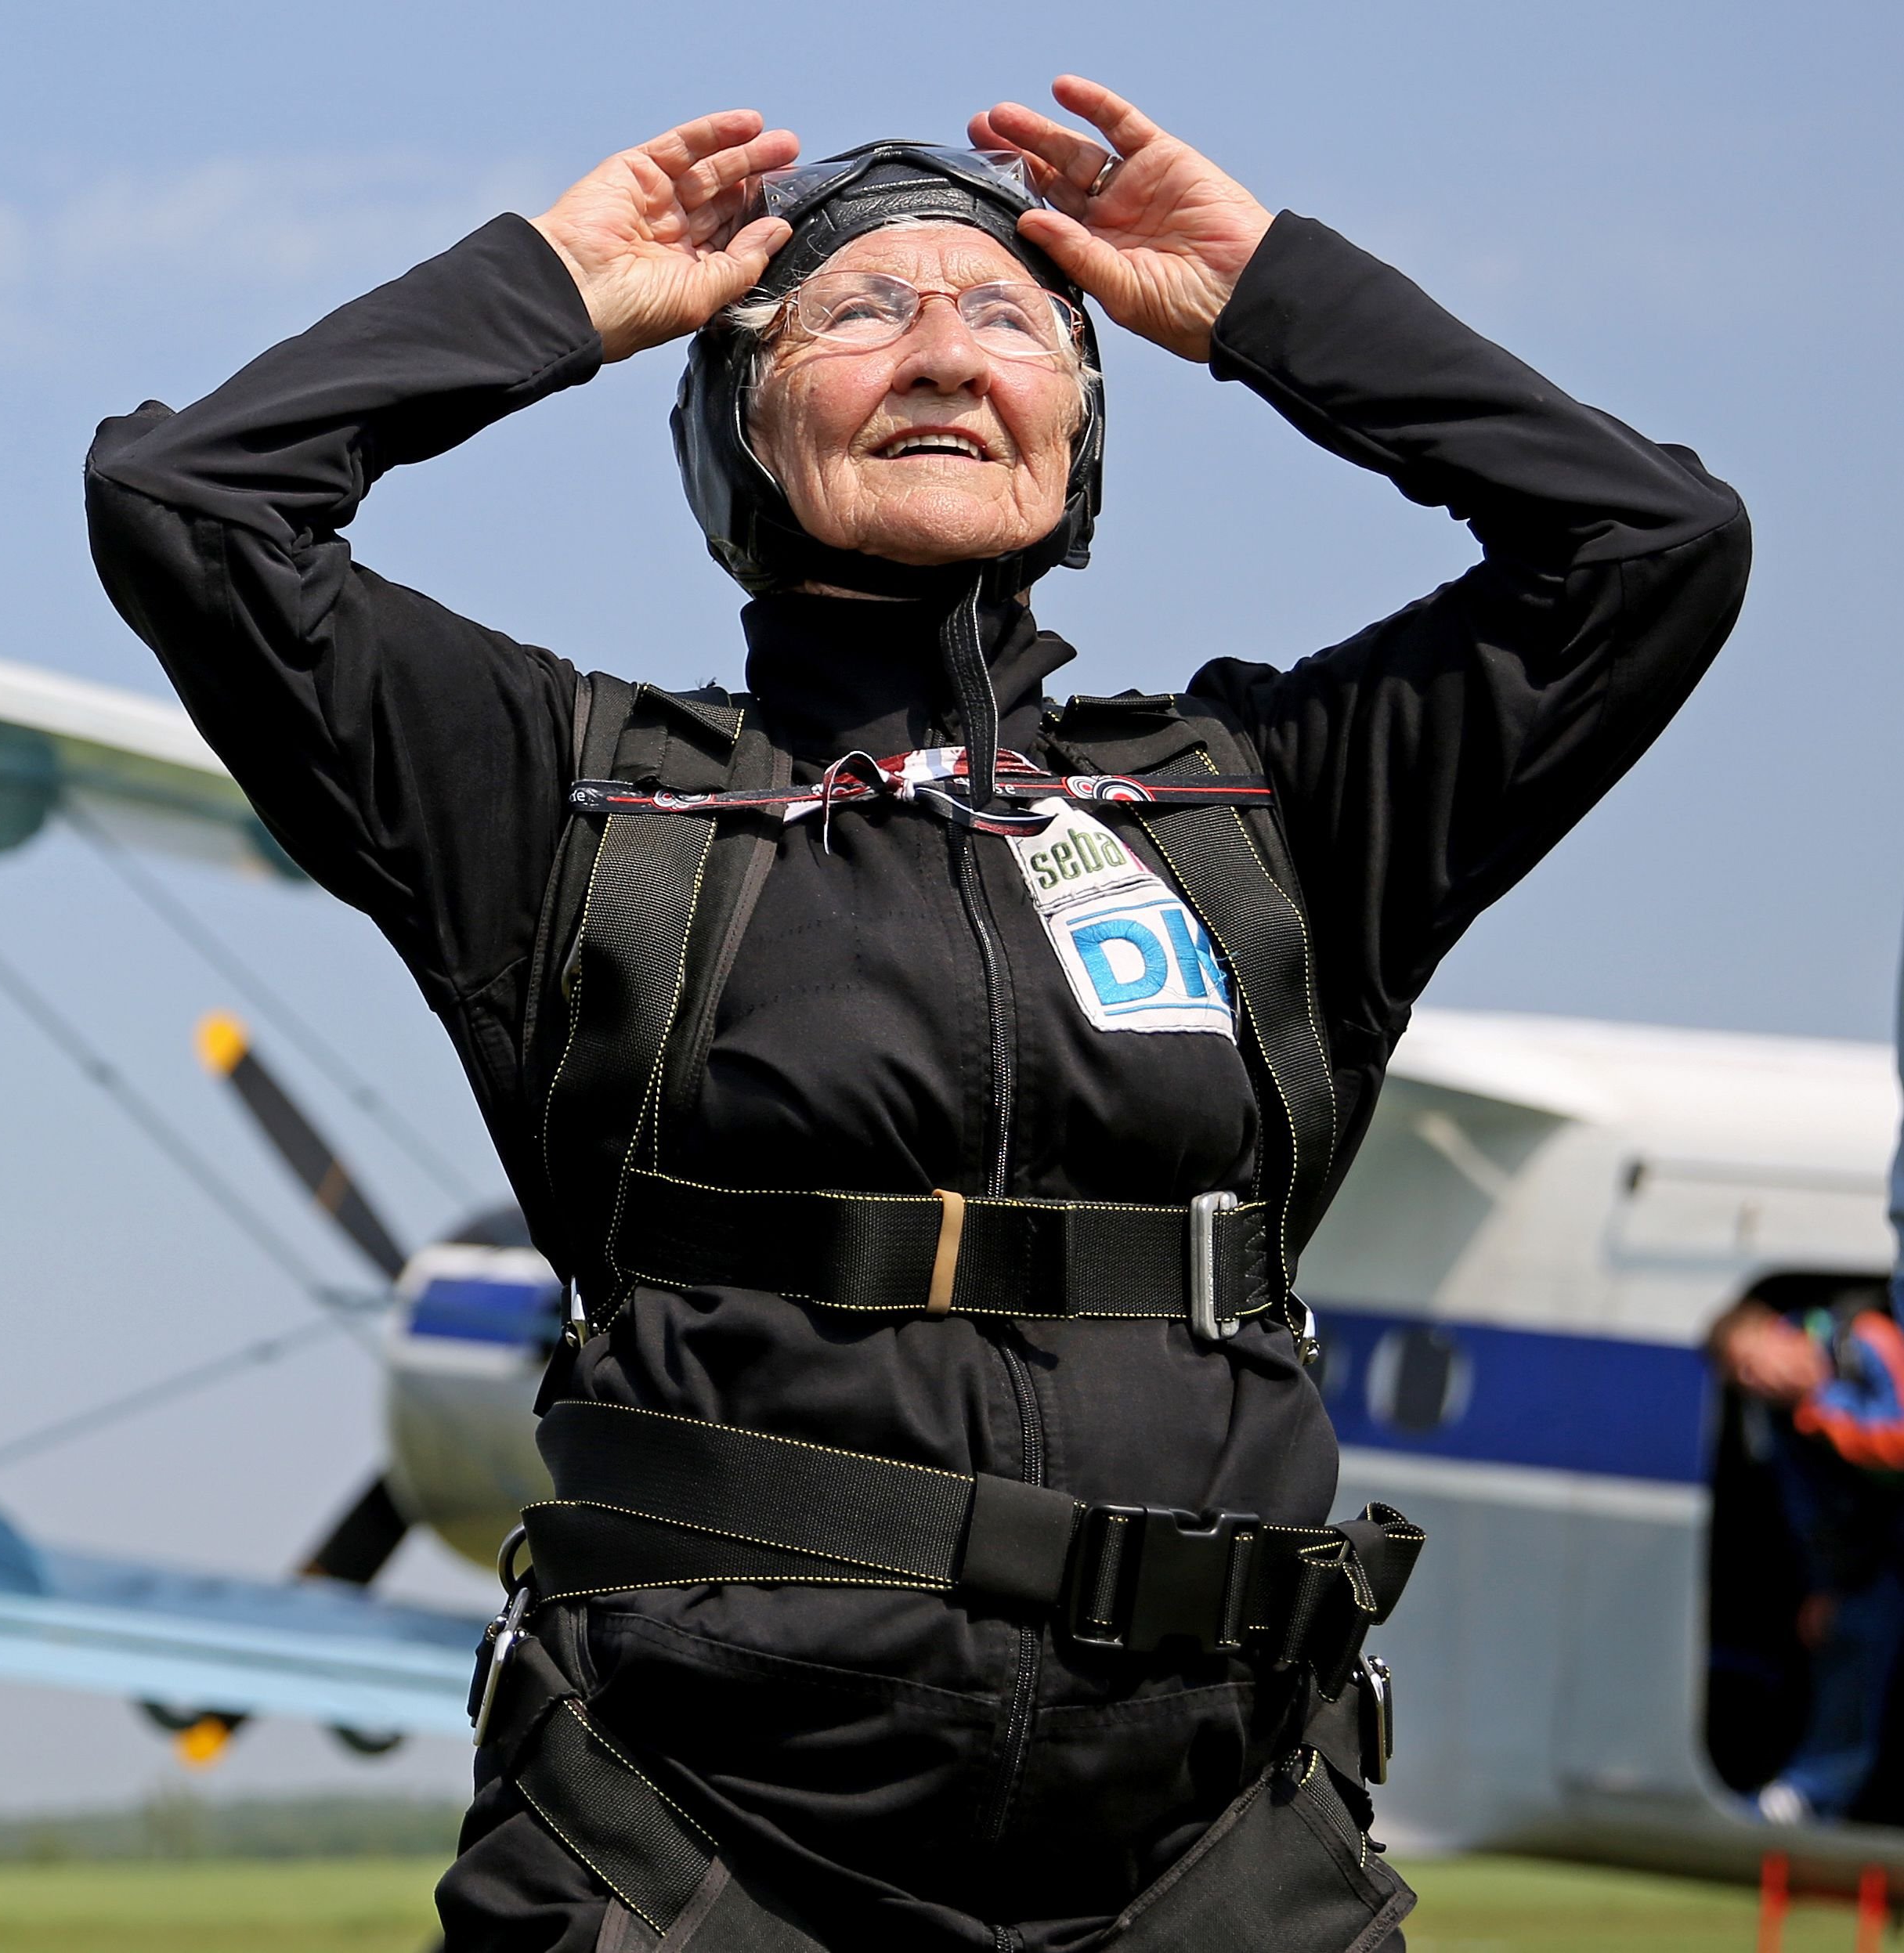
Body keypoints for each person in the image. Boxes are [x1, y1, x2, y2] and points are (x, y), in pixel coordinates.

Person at [88, 78, 1747, 1953]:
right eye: (858, 312)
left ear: (1077, 428)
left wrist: (1269, 296)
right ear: (736, 418)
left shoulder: (1261, 814)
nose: (944, 354)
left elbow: (1648, 545)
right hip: (690, 1862)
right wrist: (550, 289)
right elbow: (185, 500)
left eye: (1010, 319)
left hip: (1217, 1869)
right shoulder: (573, 807)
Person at [1714, 1286, 1904, 1825]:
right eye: (1742, 1379)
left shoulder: (1860, 1338)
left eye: (1752, 1364)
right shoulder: (1783, 1417)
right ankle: (1810, 1795)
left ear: (1779, 1333)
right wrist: (1826, 1589)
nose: (1756, 1381)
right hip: (1880, 1555)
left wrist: (1822, 1409)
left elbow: (1899, 1435)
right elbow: (1812, 1514)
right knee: (1852, 1629)